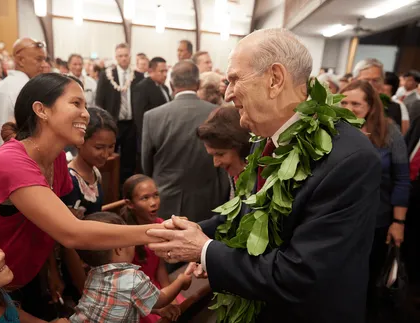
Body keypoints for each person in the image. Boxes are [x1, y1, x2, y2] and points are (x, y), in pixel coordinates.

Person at [146, 28, 381, 323]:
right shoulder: (266, 137)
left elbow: (299, 274)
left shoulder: (349, 159)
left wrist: (204, 250)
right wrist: (192, 230)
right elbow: (250, 213)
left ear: (274, 79)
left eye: (234, 79)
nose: (227, 92)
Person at [0, 73, 165, 319]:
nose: (86, 113)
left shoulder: (56, 158)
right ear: (41, 110)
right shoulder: (9, 161)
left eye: (85, 104)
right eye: (76, 103)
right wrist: (158, 232)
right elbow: (72, 232)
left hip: (24, 274)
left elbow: (48, 225)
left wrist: (51, 271)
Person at [340, 80, 409, 319]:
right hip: (339, 220)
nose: (349, 107)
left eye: (356, 103)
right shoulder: (332, 129)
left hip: (376, 222)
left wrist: (398, 223)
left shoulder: (389, 132)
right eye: (344, 102)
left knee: (367, 282)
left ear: (370, 106)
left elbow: (401, 179)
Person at [141, 60, 229, 222]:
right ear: (198, 83)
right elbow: (224, 164)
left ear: (172, 83)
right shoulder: (217, 113)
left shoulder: (152, 116)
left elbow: (147, 163)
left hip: (166, 199)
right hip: (207, 200)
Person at [70, 212, 192, 323]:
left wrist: (156, 311)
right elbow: (161, 299)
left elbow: (119, 304)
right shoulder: (131, 278)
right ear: (119, 248)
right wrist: (181, 281)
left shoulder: (93, 274)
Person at [59, 107, 117, 300]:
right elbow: (67, 242)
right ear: (80, 142)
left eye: (111, 147)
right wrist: (84, 286)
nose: (106, 154)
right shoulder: (71, 181)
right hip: (75, 268)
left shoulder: (95, 174)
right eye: (99, 147)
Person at [121, 175, 185, 323]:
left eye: (156, 195)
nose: (153, 203)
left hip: (155, 286)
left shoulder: (160, 225)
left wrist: (170, 296)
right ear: (130, 204)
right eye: (145, 198)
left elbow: (160, 267)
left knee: (181, 308)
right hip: (136, 295)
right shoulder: (126, 235)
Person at [95, 43, 144, 188]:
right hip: (113, 123)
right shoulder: (107, 75)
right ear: (116, 57)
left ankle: (126, 189)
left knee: (129, 159)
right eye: (120, 56)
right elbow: (99, 100)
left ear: (130, 56)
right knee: (110, 156)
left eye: (125, 55)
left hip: (131, 123)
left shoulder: (138, 76)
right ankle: (110, 188)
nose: (123, 58)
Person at [0, 38, 48, 148]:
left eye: (44, 59)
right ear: (21, 60)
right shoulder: (19, 87)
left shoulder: (9, 84)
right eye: (39, 59)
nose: (44, 64)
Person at [197, 106, 251, 198]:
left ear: (242, 147)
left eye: (220, 154)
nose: (216, 163)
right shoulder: (234, 177)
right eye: (212, 155)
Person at [354, 58, 409, 135]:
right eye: (366, 80)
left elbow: (396, 140)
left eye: (375, 80)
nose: (370, 84)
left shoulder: (394, 108)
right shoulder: (343, 104)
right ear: (354, 81)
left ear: (383, 82)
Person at [133, 56, 171, 149]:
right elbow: (139, 116)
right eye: (161, 71)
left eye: (166, 71)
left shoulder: (164, 88)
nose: (165, 74)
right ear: (151, 71)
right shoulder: (142, 88)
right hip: (151, 135)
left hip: (165, 133)